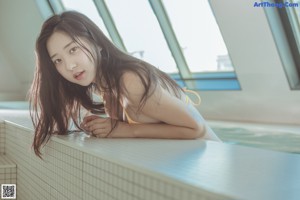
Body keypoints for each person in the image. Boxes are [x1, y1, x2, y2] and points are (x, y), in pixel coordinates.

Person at [29, 11, 220, 158]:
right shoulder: (107, 87)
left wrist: (125, 129)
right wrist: (108, 126)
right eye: (58, 61)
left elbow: (196, 127)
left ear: (97, 43)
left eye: (73, 49)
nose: (70, 65)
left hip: (213, 166)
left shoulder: (130, 81)